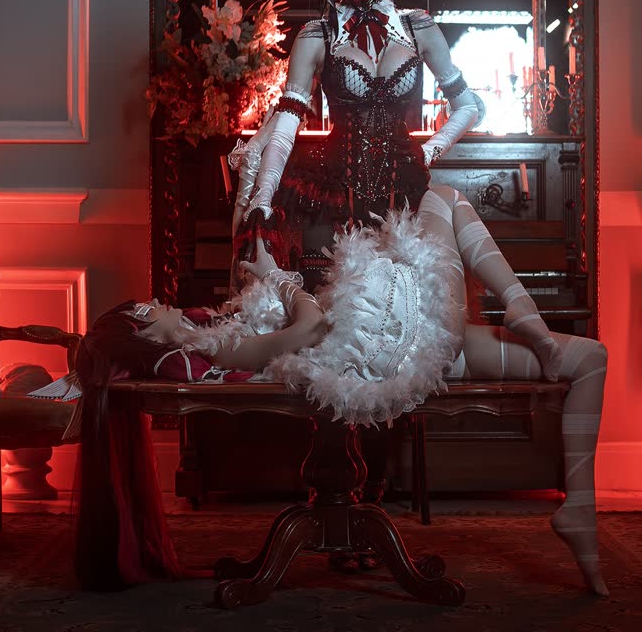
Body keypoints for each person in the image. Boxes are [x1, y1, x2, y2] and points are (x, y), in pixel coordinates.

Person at [74, 186, 610, 596]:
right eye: (145, 309)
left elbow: (296, 323)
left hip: (408, 342)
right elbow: (311, 328)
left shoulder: (212, 331)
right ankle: (523, 308)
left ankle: (579, 512)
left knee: (590, 359)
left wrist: (267, 279)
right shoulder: (212, 351)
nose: (156, 301)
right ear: (146, 333)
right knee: (442, 197)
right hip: (392, 341)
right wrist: (278, 278)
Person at [228, 0, 564, 375]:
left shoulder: (417, 26)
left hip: (404, 195)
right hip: (332, 199)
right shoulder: (316, 36)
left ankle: (507, 323)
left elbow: (470, 106)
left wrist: (429, 150)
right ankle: (518, 311)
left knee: (422, 292)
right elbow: (287, 121)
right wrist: (263, 197)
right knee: (352, 316)